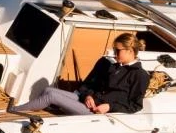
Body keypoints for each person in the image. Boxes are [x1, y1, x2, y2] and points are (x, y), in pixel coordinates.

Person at [12, 33, 150, 115]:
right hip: (89, 102)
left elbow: (135, 105)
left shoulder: (140, 75)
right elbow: (96, 87)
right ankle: (34, 110)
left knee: (51, 96)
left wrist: (109, 107)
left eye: (117, 50)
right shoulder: (115, 67)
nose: (114, 53)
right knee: (48, 90)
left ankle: (13, 111)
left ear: (130, 51)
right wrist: (88, 95)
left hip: (96, 111)